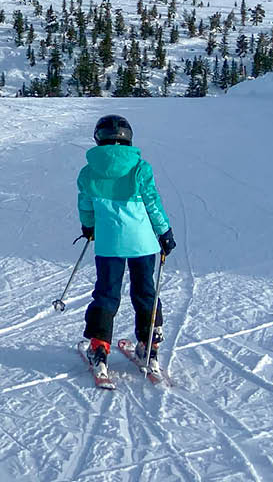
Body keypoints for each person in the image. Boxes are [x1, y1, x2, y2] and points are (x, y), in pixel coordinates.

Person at [77, 115, 176, 377]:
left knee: (107, 293)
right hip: (143, 243)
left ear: (98, 137)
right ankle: (149, 345)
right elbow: (152, 202)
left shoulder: (88, 172)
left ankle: (99, 347)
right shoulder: (140, 167)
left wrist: (89, 227)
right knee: (145, 291)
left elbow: (85, 204)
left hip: (110, 243)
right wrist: (164, 232)